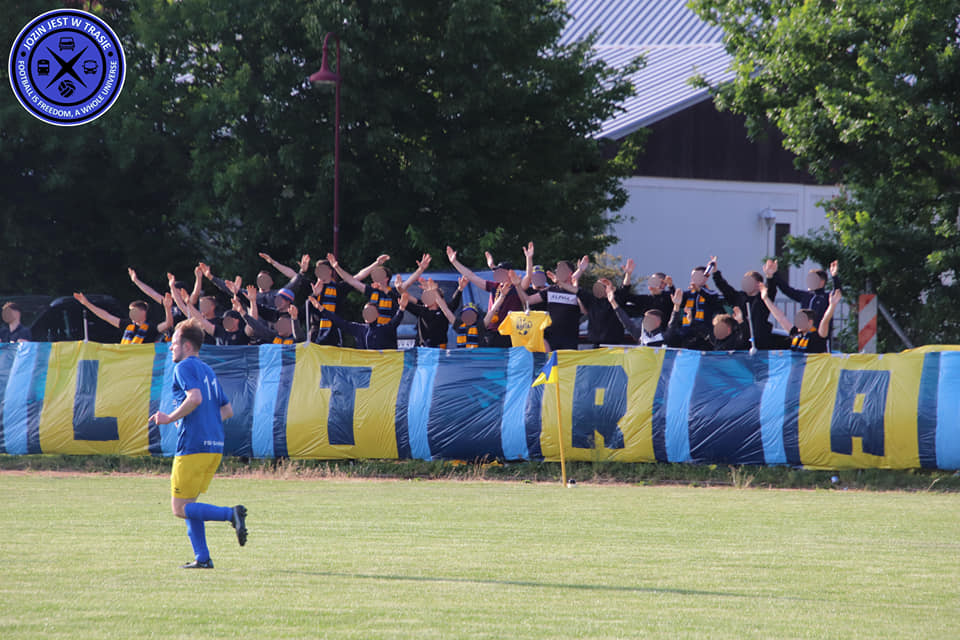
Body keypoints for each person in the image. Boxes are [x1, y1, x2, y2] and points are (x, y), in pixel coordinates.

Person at [148, 318, 247, 569]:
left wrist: (169, 418)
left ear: (187, 346)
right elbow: (227, 409)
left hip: (193, 446)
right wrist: (208, 423)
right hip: (214, 446)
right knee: (190, 506)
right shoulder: (207, 370)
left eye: (174, 343)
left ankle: (230, 514)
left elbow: (195, 398)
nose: (171, 348)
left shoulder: (183, 368)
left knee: (179, 508)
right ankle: (202, 558)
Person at [447, 246, 523, 347]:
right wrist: (454, 262)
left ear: (509, 273)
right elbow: (471, 276)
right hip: (492, 332)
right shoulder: (494, 286)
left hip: (510, 333)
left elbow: (526, 284)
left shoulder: (516, 287)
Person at [710, 256, 779, 350]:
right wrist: (715, 272)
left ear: (758, 284)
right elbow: (724, 288)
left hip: (760, 342)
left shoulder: (763, 298)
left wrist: (769, 276)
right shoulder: (739, 297)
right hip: (741, 341)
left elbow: (771, 290)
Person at [523, 257, 588, 351]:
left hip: (569, 339)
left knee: (567, 365)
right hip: (550, 338)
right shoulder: (551, 289)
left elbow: (584, 311)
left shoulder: (579, 292)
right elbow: (528, 300)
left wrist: (576, 287)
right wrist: (517, 286)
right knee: (550, 364)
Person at [760, 283, 837, 353]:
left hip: (811, 367)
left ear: (810, 322)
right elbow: (781, 318)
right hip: (797, 368)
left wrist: (832, 305)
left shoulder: (817, 336)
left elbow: (825, 320)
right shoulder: (796, 333)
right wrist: (765, 299)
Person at [311, 294, 406, 350]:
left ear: (377, 315)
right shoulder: (358, 328)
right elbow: (339, 322)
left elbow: (395, 322)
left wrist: (401, 308)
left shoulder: (383, 329)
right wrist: (321, 309)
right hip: (363, 369)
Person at [767, 258, 841, 328]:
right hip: (805, 334)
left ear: (822, 281)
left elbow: (837, 293)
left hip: (819, 336)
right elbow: (787, 290)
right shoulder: (805, 295)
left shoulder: (827, 297)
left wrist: (834, 276)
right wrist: (775, 274)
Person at [73, 293, 172, 344]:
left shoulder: (151, 328)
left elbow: (168, 324)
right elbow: (106, 316)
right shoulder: (127, 324)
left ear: (143, 312)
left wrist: (167, 308)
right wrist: (87, 303)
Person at [604, 279, 667, 347]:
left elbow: (673, 322)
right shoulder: (641, 335)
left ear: (658, 322)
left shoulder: (665, 336)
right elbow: (627, 322)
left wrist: (676, 306)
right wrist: (613, 302)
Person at [675, 264, 725, 351]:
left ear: (706, 278)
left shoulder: (711, 293)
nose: (694, 279)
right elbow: (678, 300)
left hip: (704, 334)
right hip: (688, 334)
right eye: (693, 276)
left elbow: (711, 298)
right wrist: (671, 286)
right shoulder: (688, 294)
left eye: (697, 276)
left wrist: (699, 290)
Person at [404, 277, 463, 348]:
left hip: (440, 349)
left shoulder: (444, 311)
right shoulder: (422, 309)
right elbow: (405, 300)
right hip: (424, 349)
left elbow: (454, 303)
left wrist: (460, 288)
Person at [307, 259, 353, 346]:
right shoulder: (312, 286)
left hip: (333, 332)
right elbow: (306, 310)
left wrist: (376, 263)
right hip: (316, 333)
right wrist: (315, 295)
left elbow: (357, 279)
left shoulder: (338, 288)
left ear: (330, 271)